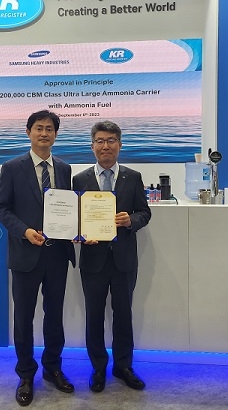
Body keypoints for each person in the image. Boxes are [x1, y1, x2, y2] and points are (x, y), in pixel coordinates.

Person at [0, 110, 76, 407]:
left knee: (54, 316)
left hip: (57, 255)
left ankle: (53, 368)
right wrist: (24, 231)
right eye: (39, 128)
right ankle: (26, 374)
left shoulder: (64, 168)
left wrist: (77, 229)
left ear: (56, 134)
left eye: (49, 129)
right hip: (25, 255)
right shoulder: (12, 168)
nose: (44, 133)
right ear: (28, 132)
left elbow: (68, 209)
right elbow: (1, 208)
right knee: (24, 318)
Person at [72, 120, 151, 393]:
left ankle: (123, 366)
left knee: (123, 314)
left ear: (119, 144)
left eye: (111, 141)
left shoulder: (133, 177)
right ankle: (98, 367)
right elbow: (75, 219)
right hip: (92, 259)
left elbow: (145, 213)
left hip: (123, 259)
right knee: (93, 315)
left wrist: (131, 220)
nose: (105, 146)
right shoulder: (79, 179)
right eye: (100, 141)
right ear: (92, 146)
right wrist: (78, 234)